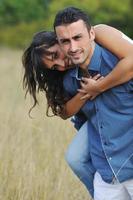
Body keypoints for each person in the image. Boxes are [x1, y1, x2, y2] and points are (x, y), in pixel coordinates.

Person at [53, 6, 133, 200]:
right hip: (106, 175)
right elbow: (77, 118)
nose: (72, 47)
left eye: (77, 37)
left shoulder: (117, 60)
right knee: (74, 157)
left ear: (91, 33)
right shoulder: (70, 80)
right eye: (65, 41)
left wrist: (99, 87)